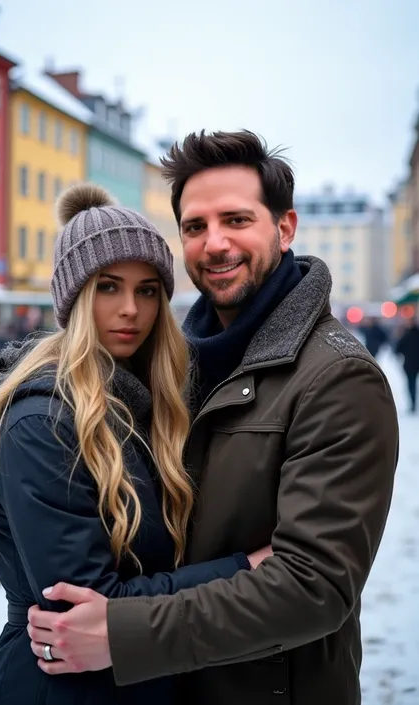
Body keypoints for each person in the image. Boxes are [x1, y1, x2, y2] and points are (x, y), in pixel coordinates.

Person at [25, 131, 399, 705]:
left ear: (285, 227)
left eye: (236, 219)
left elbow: (313, 587)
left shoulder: (336, 379)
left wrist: (125, 632)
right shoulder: (176, 371)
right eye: (196, 226)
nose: (215, 243)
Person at [0, 184, 270, 705]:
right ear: (74, 297)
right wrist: (244, 571)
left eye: (147, 291)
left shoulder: (145, 403)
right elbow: (83, 607)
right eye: (108, 287)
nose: (131, 310)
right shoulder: (41, 420)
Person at [395, 317, 419, 412]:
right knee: (411, 384)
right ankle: (412, 403)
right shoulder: (406, 334)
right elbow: (398, 348)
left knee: (411, 384)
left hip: (411, 363)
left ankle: (413, 403)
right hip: (410, 364)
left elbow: (398, 348)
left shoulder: (407, 334)